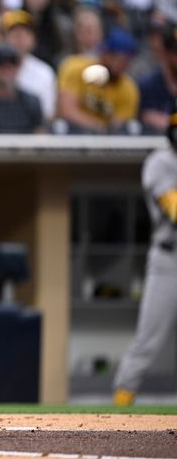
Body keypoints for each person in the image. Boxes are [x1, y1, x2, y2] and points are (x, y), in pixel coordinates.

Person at [113, 111, 177, 406]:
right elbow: (174, 210)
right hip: (169, 261)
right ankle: (121, 405)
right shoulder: (161, 162)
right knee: (148, 340)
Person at [56, 27, 140, 134]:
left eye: (127, 62)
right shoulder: (76, 68)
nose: (123, 66)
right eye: (120, 60)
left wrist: (103, 129)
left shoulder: (129, 89)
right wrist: (97, 126)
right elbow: (66, 111)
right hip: (71, 136)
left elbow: (117, 126)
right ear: (105, 54)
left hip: (107, 144)